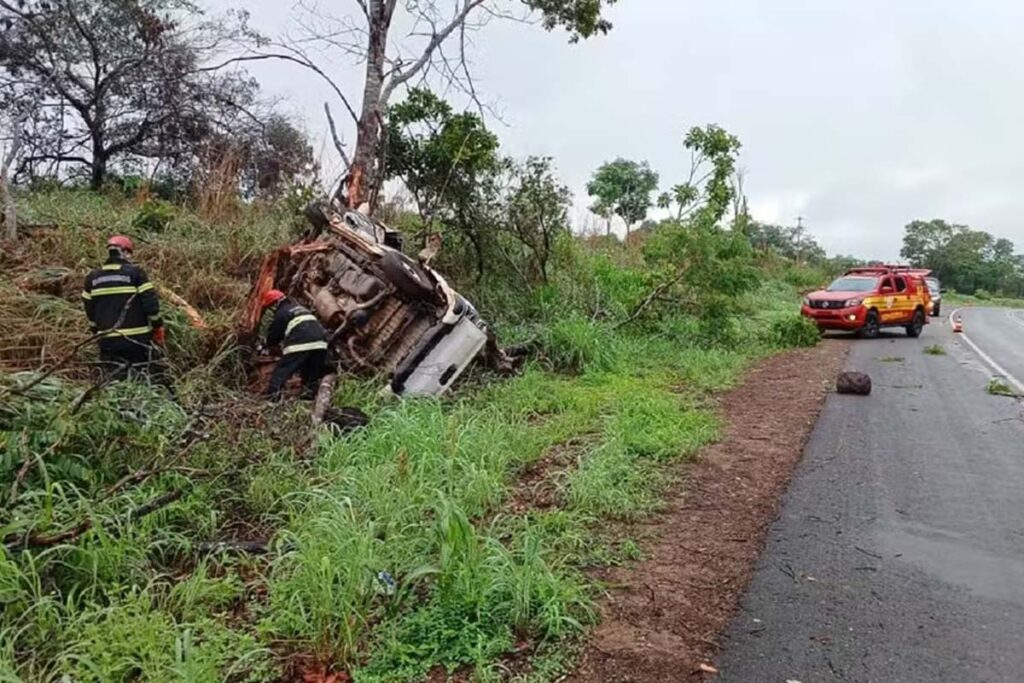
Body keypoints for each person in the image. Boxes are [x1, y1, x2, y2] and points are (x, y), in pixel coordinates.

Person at [82, 235, 170, 389]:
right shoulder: (135, 273)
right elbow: (150, 304)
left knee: (113, 382)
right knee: (141, 379)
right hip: (136, 339)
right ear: (125, 253)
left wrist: (96, 332)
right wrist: (158, 326)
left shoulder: (92, 278)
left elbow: (89, 310)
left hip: (107, 340)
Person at [260, 289, 329, 400]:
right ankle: (308, 398)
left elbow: (274, 335)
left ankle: (272, 398)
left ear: (275, 304)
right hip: (321, 344)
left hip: (301, 343)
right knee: (311, 374)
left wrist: (266, 345)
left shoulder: (281, 313)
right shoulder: (300, 309)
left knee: (282, 371)